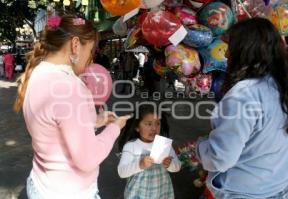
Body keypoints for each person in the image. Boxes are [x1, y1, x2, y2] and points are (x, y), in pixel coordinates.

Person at [13, 14, 130, 199]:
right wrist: (115, 128)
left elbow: (55, 126)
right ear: (75, 45)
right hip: (70, 192)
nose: (90, 60)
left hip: (41, 185)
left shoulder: (38, 72)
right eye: (90, 51)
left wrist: (95, 121)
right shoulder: (71, 88)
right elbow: (88, 159)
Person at [196, 17, 288, 198]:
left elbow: (220, 158)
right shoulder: (287, 86)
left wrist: (200, 147)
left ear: (244, 50)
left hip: (242, 193)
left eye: (231, 47)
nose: (227, 54)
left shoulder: (244, 94)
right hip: (280, 189)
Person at [118, 104, 181, 199]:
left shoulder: (164, 144)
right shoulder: (131, 146)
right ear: (137, 127)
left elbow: (177, 166)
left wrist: (170, 164)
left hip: (161, 193)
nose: (154, 128)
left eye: (157, 123)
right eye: (148, 124)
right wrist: (140, 164)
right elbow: (122, 172)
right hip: (138, 194)